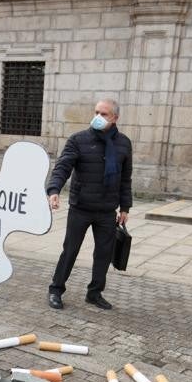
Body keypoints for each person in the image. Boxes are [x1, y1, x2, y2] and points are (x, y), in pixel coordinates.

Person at [45, 98, 133, 311]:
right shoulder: (79, 139)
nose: (98, 117)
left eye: (104, 114)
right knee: (70, 250)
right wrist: (54, 190)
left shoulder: (123, 143)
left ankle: (94, 293)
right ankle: (56, 290)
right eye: (96, 112)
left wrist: (125, 208)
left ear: (115, 118)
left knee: (103, 253)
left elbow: (125, 178)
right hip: (81, 207)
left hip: (106, 210)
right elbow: (63, 166)